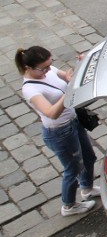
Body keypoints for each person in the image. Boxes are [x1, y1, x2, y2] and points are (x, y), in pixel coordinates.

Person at [16, 46, 99, 216]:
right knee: (73, 168)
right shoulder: (30, 89)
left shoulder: (49, 70)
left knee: (89, 157)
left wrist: (81, 66)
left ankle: (87, 189)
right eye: (43, 68)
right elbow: (51, 113)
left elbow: (69, 79)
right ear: (28, 68)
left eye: (49, 64)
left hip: (73, 122)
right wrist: (69, 91)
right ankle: (68, 205)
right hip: (60, 132)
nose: (48, 70)